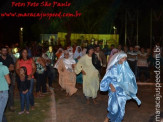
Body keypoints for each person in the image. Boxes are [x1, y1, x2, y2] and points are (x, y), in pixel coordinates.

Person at [100, 52, 141, 122]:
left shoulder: (126, 68)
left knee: (121, 109)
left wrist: (128, 87)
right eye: (123, 58)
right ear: (119, 59)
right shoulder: (113, 68)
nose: (124, 59)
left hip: (122, 90)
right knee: (114, 108)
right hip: (114, 89)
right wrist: (111, 85)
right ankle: (108, 117)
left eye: (125, 58)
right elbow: (107, 78)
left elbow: (130, 78)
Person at [0, 47, 15, 111]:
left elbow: (12, 68)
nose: (4, 52)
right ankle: (3, 107)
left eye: (5, 51)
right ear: (0, 51)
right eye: (3, 51)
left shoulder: (9, 58)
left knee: (10, 91)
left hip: (8, 76)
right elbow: (10, 68)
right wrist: (6, 69)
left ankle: (10, 105)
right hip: (1, 78)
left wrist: (4, 70)